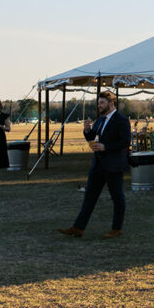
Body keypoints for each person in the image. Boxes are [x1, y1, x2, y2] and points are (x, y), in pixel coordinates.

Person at [58, 92, 130, 239]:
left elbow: (124, 142)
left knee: (117, 197)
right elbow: (92, 137)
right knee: (89, 197)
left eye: (101, 103)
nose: (99, 106)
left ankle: (117, 228)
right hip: (97, 165)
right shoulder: (100, 120)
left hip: (113, 165)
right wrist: (87, 130)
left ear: (111, 104)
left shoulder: (121, 120)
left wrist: (106, 147)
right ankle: (78, 228)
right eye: (98, 103)